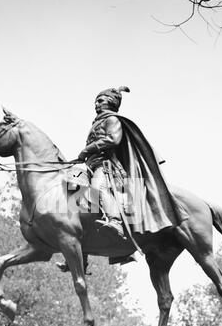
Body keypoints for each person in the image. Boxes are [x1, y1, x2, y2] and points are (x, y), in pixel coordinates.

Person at [77, 86, 188, 238]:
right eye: (95, 101)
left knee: (98, 188)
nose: (96, 104)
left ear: (110, 102)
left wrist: (86, 150)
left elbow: (113, 139)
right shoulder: (96, 123)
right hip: (92, 165)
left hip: (107, 166)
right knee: (74, 193)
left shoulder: (111, 119)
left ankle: (115, 221)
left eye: (100, 101)